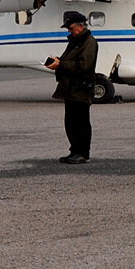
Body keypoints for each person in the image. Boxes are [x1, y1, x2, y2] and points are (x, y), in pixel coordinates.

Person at [45, 11, 97, 164]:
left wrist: (61, 64)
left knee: (81, 122)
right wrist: (58, 61)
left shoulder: (89, 42)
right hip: (70, 88)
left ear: (81, 26)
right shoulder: (75, 41)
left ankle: (83, 153)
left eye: (71, 28)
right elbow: (71, 61)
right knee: (70, 122)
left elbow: (84, 66)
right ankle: (74, 150)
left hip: (80, 88)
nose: (69, 31)